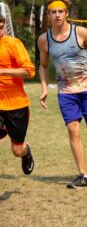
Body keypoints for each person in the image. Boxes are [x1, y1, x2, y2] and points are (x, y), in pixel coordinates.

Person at [37, 0, 87, 189]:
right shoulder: (44, 40)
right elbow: (43, 65)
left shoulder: (80, 32)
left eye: (60, 11)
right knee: (73, 129)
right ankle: (83, 175)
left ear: (66, 14)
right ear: (48, 15)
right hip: (66, 92)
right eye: (53, 12)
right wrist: (45, 87)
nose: (56, 15)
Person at [0, 14, 36, 175]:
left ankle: (26, 152)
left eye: (0, 27)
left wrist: (2, 71)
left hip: (16, 105)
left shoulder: (13, 44)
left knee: (17, 149)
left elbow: (29, 71)